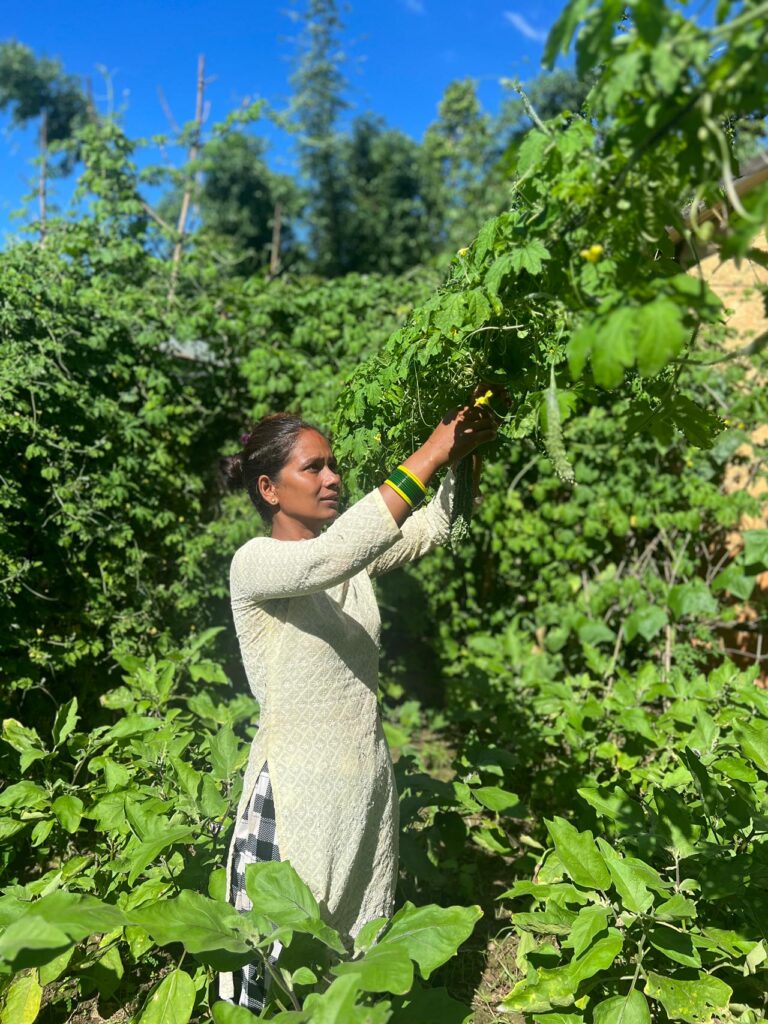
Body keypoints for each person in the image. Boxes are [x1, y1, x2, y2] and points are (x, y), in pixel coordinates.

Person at [218, 398, 497, 1011]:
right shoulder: (255, 564)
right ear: (268, 488)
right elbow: (331, 555)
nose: (332, 478)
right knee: (273, 978)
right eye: (312, 468)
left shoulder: (352, 569)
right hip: (294, 799)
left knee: (349, 968)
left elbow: (433, 526)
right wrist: (430, 452)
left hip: (362, 789)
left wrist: (464, 456)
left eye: (333, 466)